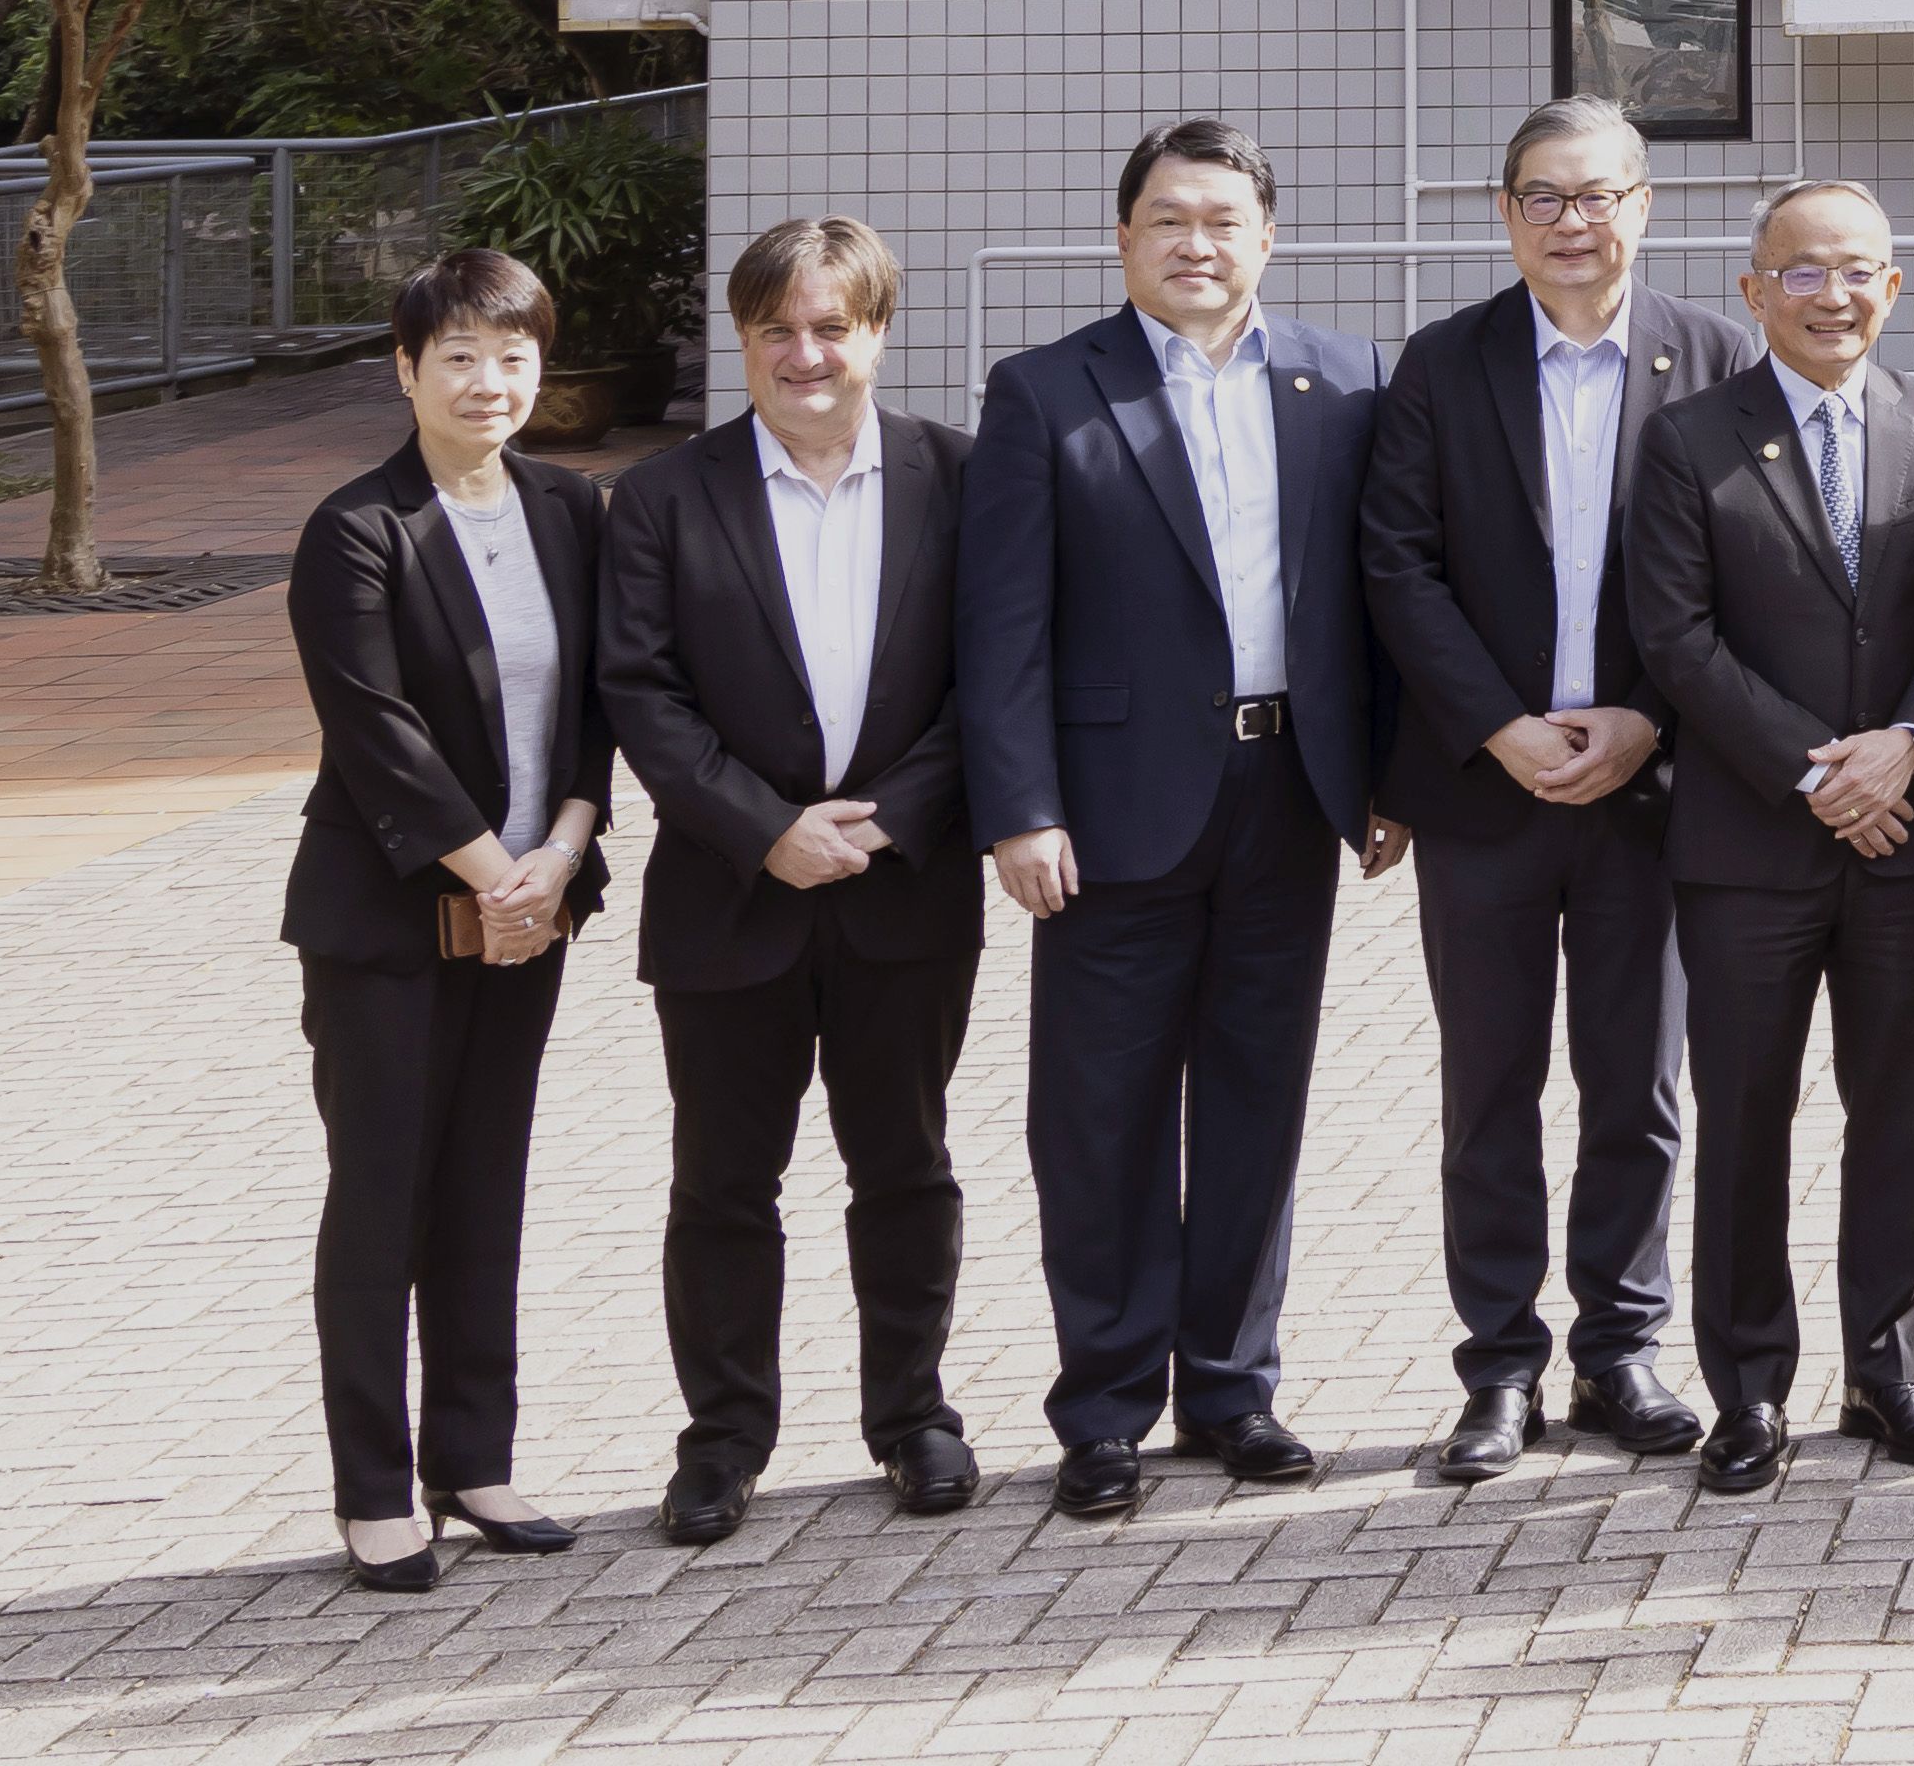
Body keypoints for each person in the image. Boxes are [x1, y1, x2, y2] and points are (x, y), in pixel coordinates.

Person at [963, 116, 1400, 1521]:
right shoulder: (1045, 392)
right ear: (1124, 239)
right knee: (1100, 1119)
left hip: (1290, 793)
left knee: (1257, 1107)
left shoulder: (1343, 380)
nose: (1197, 245)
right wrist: (1019, 806)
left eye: (1223, 221)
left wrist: (1382, 774)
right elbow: (1004, 627)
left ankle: (1231, 1389)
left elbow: (1371, 604)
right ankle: (1102, 1407)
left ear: (1268, 236)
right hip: (1106, 815)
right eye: (1168, 221)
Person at [1357, 93, 1755, 1482]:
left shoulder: (1714, 361)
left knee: (1638, 1087)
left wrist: (1646, 721)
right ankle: (1501, 1368)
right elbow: (1396, 566)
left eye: (1599, 195)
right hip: (1488, 794)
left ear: (1645, 205)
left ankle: (1620, 1350)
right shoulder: (1442, 365)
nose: (1574, 222)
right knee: (1491, 1088)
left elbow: (1737, 573)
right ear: (1507, 215)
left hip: (1653, 795)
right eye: (1545, 197)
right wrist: (1500, 730)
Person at [598, 211, 987, 1543]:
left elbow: (991, 679)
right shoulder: (660, 495)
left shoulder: (961, 479)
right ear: (744, 338)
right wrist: (763, 827)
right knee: (721, 1182)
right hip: (728, 899)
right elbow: (638, 689)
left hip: (905, 891)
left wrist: (890, 821)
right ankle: (723, 1439)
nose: (805, 353)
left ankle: (914, 1418)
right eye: (778, 329)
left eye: (832, 327)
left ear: (878, 333)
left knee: (908, 1168)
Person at [1623, 177, 1914, 1495]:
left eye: (1859, 273)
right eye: (1804, 272)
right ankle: (1748, 1391)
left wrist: (1909, 746)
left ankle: (1892, 1372)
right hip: (1746, 846)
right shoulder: (1686, 441)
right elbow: (1676, 639)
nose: (1833, 295)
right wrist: (1812, 769)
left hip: (1910, 832)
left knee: (1897, 1108)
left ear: (1893, 288)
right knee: (1746, 1118)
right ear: (1754, 290)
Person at [277, 244, 612, 1588]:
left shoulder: (570, 513)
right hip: (389, 919)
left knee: (485, 1184)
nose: (490, 380)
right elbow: (377, 738)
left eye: (514, 354)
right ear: (406, 369)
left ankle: (473, 1458)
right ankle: (373, 1489)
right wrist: (496, 871)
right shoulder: (357, 529)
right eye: (459, 356)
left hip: (532, 905)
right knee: (383, 1195)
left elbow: (602, 705)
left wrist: (566, 852)